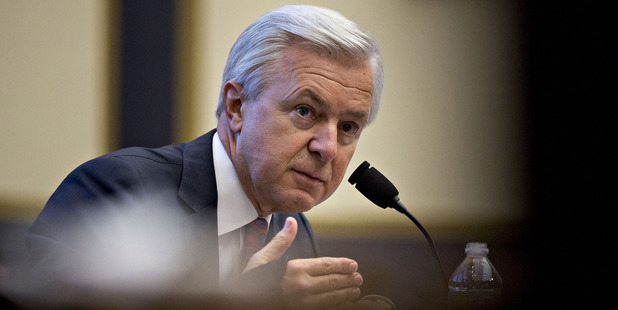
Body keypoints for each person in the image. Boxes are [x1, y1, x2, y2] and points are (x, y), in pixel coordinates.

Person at [25, 4, 386, 309]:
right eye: (305, 111)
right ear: (236, 107)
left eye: (349, 127)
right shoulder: (119, 190)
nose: (327, 147)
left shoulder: (294, 230)